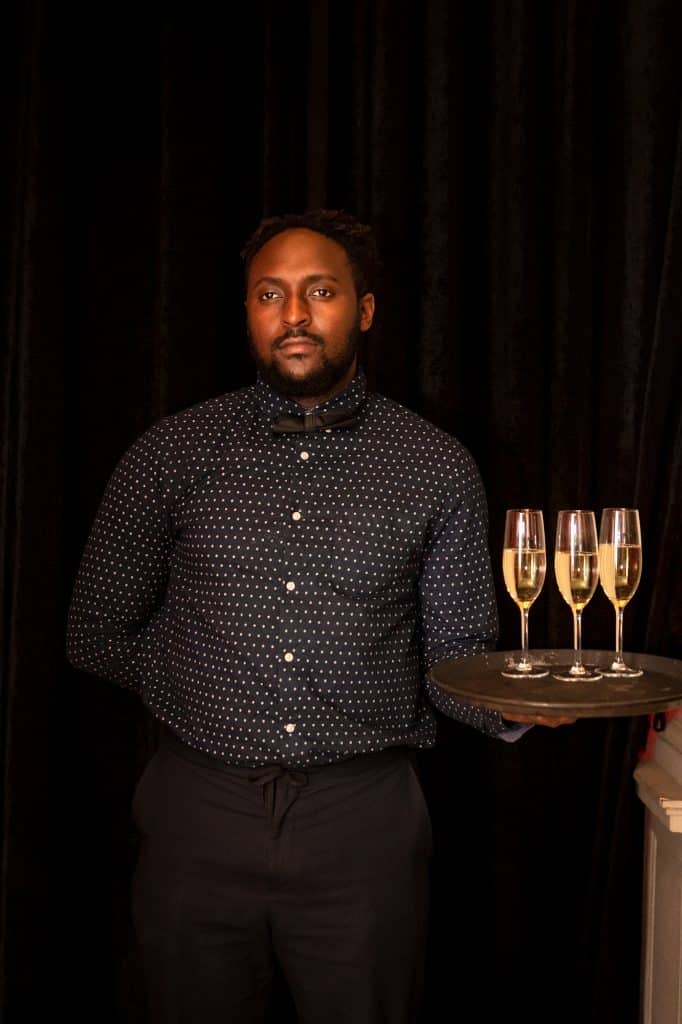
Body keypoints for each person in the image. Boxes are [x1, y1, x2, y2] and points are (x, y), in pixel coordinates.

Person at [66, 209, 573, 1024]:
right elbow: (94, 631)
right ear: (247, 311)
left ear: (363, 309)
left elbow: (454, 657)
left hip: (363, 826)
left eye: (320, 292)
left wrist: (510, 706)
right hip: (196, 814)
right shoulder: (170, 452)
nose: (294, 314)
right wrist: (199, 682)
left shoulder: (436, 466)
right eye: (270, 294)